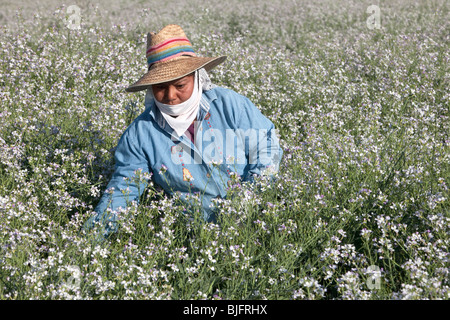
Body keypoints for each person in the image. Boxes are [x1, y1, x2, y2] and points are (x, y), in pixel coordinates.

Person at [83, 24, 282, 240]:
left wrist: (249, 198)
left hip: (261, 219)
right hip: (200, 238)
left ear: (197, 79)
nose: (170, 96)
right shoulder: (140, 135)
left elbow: (266, 146)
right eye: (160, 87)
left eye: (180, 85)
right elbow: (125, 189)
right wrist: (87, 243)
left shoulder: (228, 104)